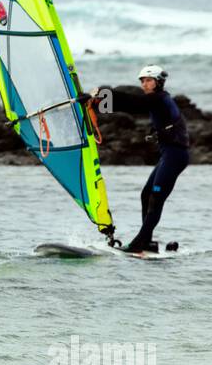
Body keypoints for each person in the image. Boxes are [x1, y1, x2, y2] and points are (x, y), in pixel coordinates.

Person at [79, 65, 189, 254]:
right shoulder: (155, 100)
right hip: (168, 155)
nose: (144, 84)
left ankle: (141, 242)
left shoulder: (160, 99)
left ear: (158, 82)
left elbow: (132, 102)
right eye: (142, 81)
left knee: (156, 197)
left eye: (148, 80)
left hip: (176, 155)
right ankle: (147, 241)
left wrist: (103, 93)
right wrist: (95, 103)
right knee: (146, 195)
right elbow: (127, 105)